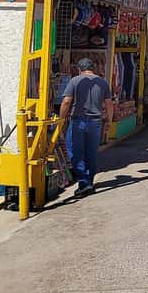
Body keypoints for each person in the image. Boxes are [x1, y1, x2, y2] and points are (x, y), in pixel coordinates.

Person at [59, 57, 114, 197]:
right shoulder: (103, 82)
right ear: (93, 68)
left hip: (78, 121)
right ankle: (88, 182)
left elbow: (66, 101)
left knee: (75, 153)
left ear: (79, 69)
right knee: (91, 153)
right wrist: (109, 120)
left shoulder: (75, 81)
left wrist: (61, 120)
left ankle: (84, 182)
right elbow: (109, 104)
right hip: (96, 122)